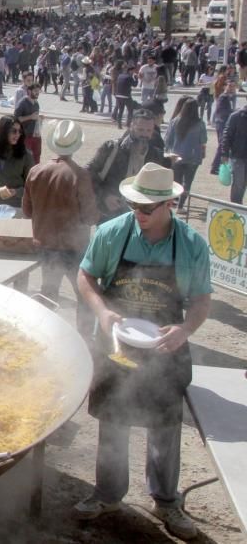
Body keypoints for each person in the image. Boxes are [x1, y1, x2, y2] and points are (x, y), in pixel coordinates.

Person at [73, 163, 211, 541]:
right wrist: (102, 312)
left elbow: (200, 301)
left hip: (165, 350)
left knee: (165, 428)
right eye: (135, 205)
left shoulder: (191, 245)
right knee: (112, 423)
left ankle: (166, 501)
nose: (139, 214)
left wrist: (184, 330)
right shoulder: (111, 233)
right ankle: (108, 495)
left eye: (147, 208)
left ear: (169, 204)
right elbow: (85, 276)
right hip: (118, 344)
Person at [22, 120, 99, 308]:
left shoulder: (36, 171)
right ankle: (84, 334)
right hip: (74, 246)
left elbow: (27, 211)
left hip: (45, 243)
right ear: (76, 145)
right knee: (83, 295)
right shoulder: (80, 175)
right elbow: (90, 217)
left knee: (48, 292)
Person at [86, 110, 170, 222]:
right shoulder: (111, 148)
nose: (144, 134)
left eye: (148, 130)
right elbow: (88, 172)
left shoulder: (155, 155)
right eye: (140, 130)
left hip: (139, 216)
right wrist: (104, 196)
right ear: (131, 126)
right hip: (110, 215)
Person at [0, 116, 34, 209]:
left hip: (15, 206)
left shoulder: (26, 155)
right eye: (14, 131)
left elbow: (31, 185)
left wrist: (16, 192)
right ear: (3, 131)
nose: (18, 134)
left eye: (20, 131)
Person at [163, 99, 207, 209]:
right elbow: (203, 140)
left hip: (176, 155)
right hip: (193, 157)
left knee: (176, 181)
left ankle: (174, 202)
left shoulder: (175, 121)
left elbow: (168, 139)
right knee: (188, 182)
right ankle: (181, 205)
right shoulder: (200, 123)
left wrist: (167, 151)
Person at [221, 100, 247, 204]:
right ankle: (236, 206)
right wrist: (224, 153)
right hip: (238, 155)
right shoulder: (236, 116)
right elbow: (227, 135)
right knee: (238, 183)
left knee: (243, 183)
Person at [13, 80, 42, 164]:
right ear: (29, 91)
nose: (37, 93)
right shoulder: (22, 103)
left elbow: (34, 118)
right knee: (26, 159)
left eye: (38, 91)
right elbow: (16, 119)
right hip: (25, 136)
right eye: (35, 91)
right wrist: (30, 117)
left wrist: (39, 118)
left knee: (36, 157)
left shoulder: (36, 104)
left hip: (35, 135)